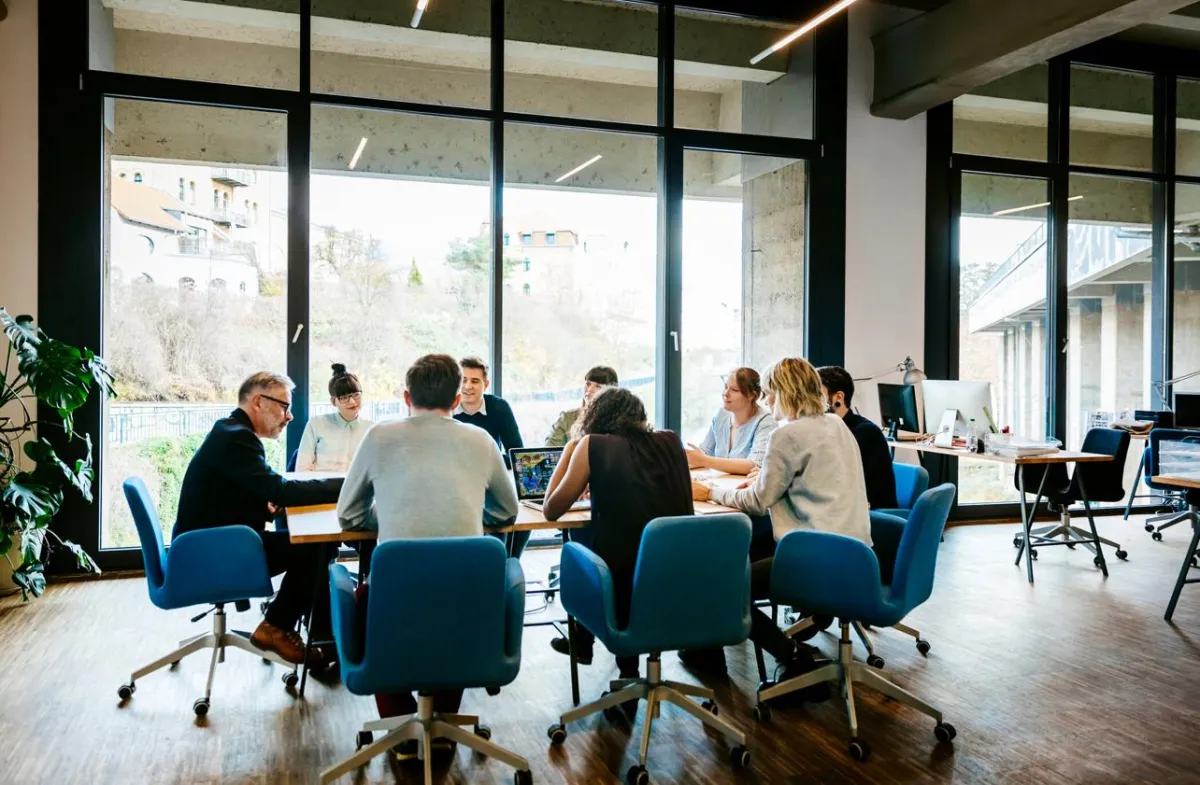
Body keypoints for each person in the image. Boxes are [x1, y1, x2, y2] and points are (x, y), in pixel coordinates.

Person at [337, 353, 519, 758]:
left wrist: (386, 511)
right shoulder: (481, 440)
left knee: (370, 596)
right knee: (456, 597)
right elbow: (507, 512)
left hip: (395, 602)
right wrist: (469, 508)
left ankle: (403, 729)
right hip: (468, 605)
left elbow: (347, 514)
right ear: (457, 401)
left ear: (405, 396)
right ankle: (442, 727)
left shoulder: (379, 437)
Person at [691, 357, 871, 691]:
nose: (767, 402)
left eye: (770, 394)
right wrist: (766, 479)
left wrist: (711, 492)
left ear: (784, 394)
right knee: (746, 561)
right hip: (856, 553)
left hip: (815, 556)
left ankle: (791, 656)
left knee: (728, 586)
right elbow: (816, 480)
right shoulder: (836, 424)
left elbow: (759, 503)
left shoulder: (786, 435)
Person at [174, 372, 344, 666]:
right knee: (317, 546)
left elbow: (234, 495)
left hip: (209, 544)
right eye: (284, 407)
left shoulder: (229, 431)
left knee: (316, 545)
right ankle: (278, 626)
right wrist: (346, 483)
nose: (289, 416)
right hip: (211, 553)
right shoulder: (237, 438)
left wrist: (264, 507)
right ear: (258, 402)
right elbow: (281, 489)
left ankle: (310, 633)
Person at [541, 387, 693, 703]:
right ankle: (624, 671)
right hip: (676, 580)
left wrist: (571, 449)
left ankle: (588, 642)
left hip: (620, 586)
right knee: (626, 547)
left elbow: (551, 509)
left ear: (595, 417)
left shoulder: (592, 445)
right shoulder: (670, 441)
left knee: (582, 547)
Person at [817, 366, 899, 511]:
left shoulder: (865, 433)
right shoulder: (826, 429)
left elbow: (835, 480)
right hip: (844, 510)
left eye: (817, 394)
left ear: (838, 398)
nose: (811, 401)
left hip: (871, 517)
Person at [685, 367, 776, 476]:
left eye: (734, 390)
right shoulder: (721, 415)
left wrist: (704, 460)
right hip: (721, 485)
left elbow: (754, 465)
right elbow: (705, 452)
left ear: (751, 395)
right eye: (726, 387)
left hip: (744, 489)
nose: (725, 393)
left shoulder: (765, 422)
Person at [295, 363, 373, 472]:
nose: (352, 401)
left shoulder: (371, 429)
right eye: (344, 397)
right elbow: (302, 468)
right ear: (333, 401)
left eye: (356, 394)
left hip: (356, 488)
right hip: (320, 486)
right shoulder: (317, 424)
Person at [453, 357, 524, 460]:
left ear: (486, 385)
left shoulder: (500, 407)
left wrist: (485, 462)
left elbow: (517, 456)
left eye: (475, 381)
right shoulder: (446, 408)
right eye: (463, 380)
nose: (468, 386)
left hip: (490, 474)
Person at [546, 365, 619, 447]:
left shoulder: (621, 421)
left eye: (598, 386)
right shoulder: (567, 418)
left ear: (611, 392)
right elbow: (550, 452)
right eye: (588, 384)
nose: (589, 390)